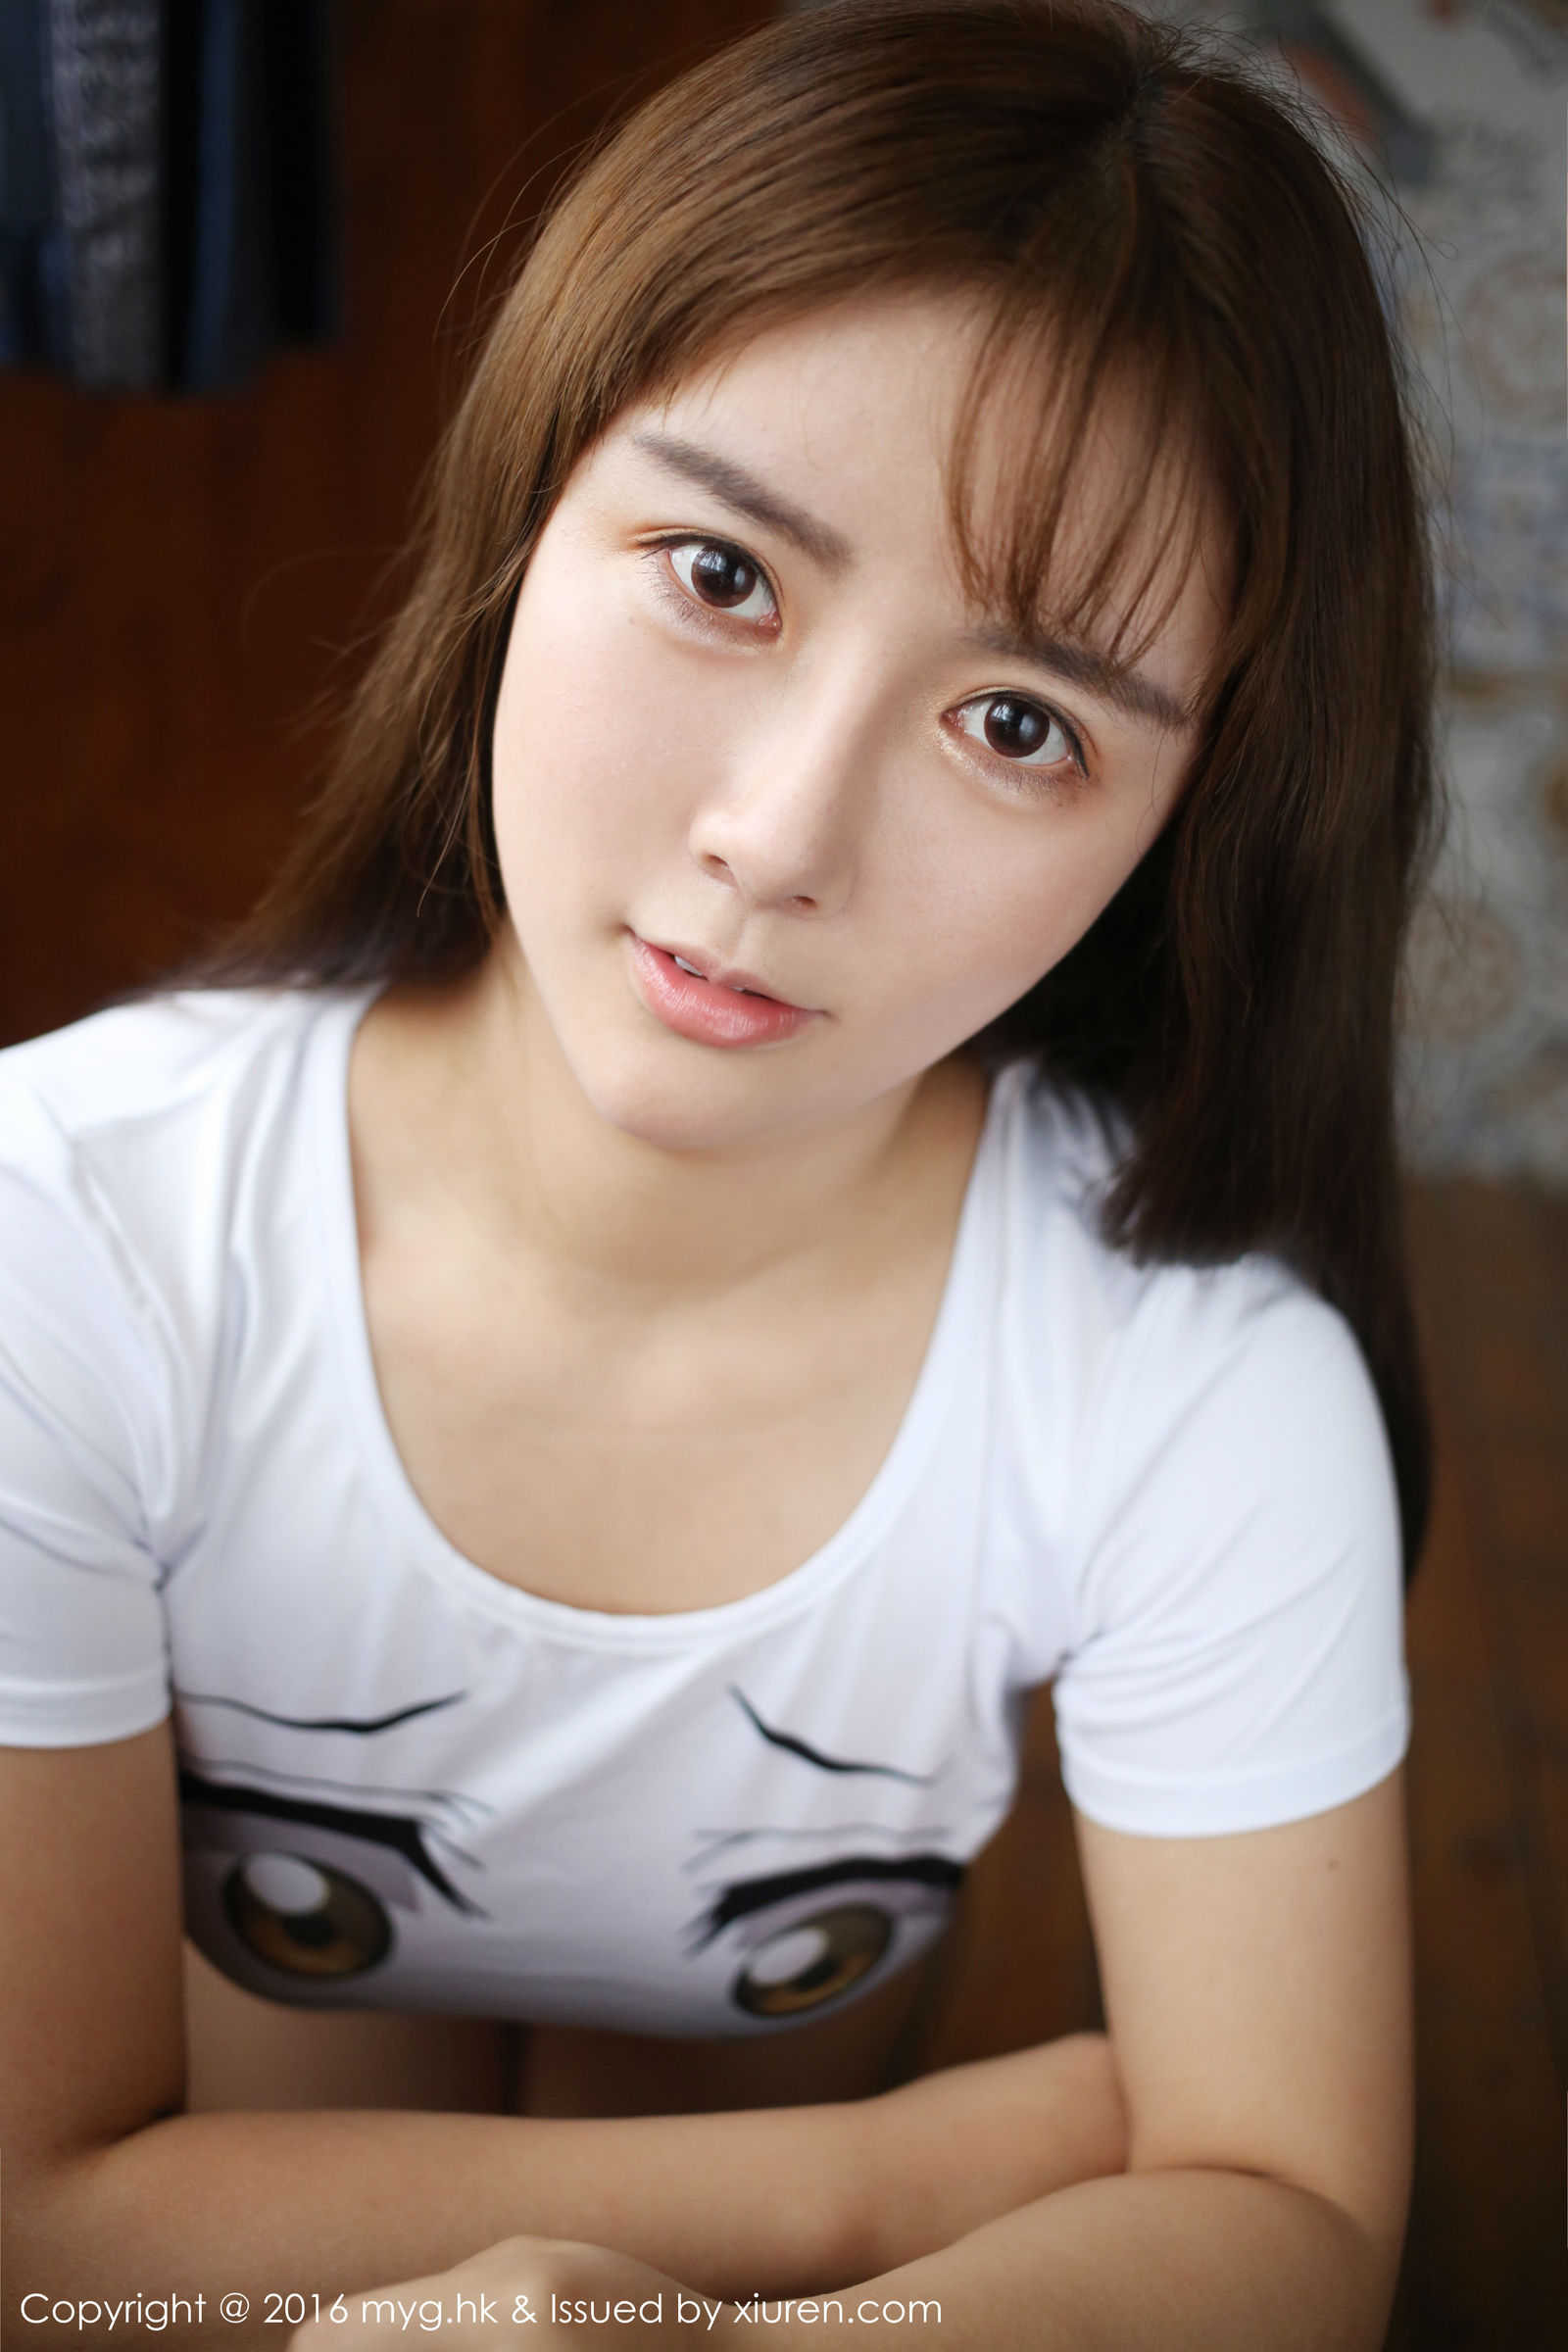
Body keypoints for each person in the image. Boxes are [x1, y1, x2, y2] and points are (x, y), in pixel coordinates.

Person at [0, 1, 1436, 2343]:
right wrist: (881, 2189)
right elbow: (39, 2248)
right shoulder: (60, 1230)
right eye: (720, 574)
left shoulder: (1193, 1378)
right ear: (523, 511)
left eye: (1012, 723)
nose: (776, 837)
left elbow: (1287, 2221)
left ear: (1194, 826)